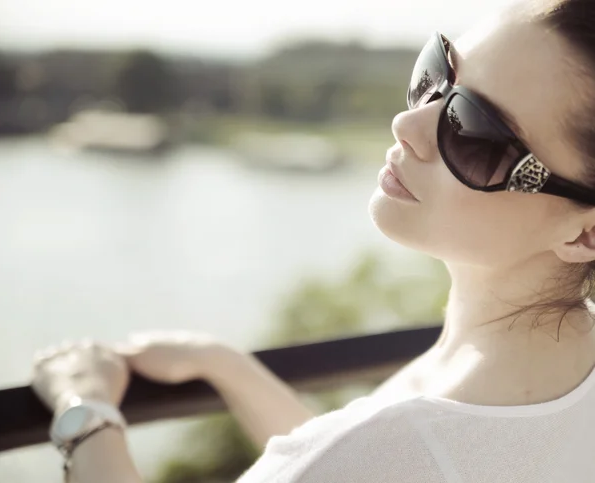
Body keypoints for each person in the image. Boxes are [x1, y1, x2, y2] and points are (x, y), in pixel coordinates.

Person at [31, 0, 595, 481]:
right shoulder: (547, 376)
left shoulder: (382, 447)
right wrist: (226, 366)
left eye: (473, 132)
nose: (409, 124)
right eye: (437, 77)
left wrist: (86, 412)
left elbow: (354, 458)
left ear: (585, 231)